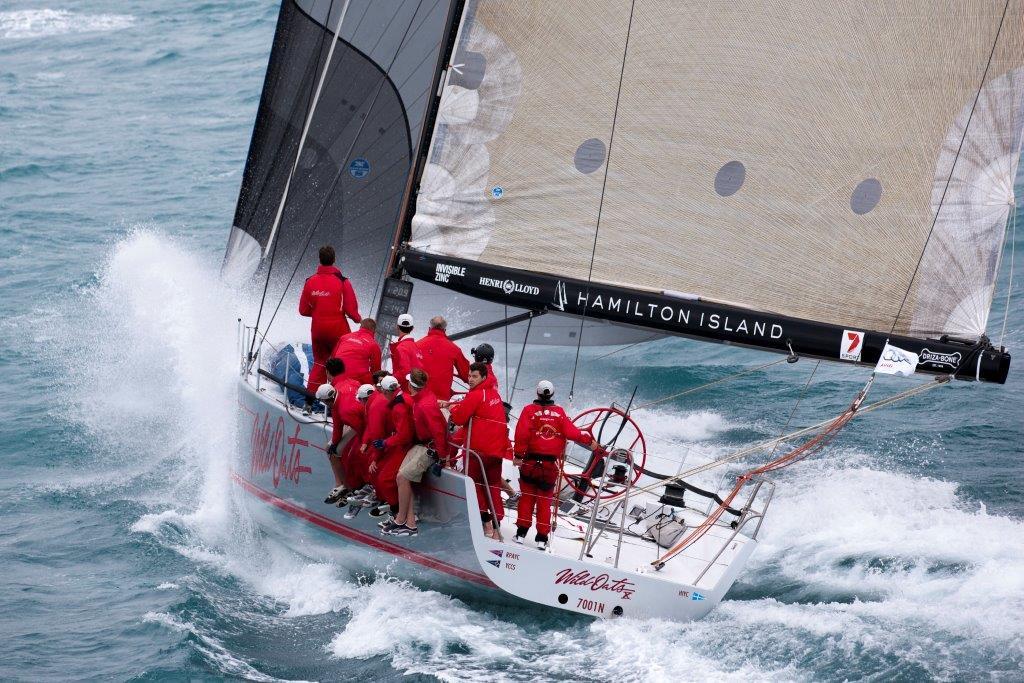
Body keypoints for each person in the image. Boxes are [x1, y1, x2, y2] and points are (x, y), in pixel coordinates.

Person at [513, 380, 601, 549]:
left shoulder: (528, 411)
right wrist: (591, 443)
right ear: (552, 394)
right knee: (545, 502)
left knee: (526, 499)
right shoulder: (560, 413)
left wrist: (518, 455)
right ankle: (541, 538)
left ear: (537, 393)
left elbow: (521, 434)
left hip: (530, 463)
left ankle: (521, 534)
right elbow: (574, 433)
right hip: (549, 467)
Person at [382, 369, 452, 537]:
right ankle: (410, 522)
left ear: (410, 385)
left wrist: (442, 458)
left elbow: (439, 432)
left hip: (430, 448)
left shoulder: (425, 405)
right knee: (402, 477)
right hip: (421, 444)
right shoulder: (421, 398)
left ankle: (400, 521)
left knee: (403, 477)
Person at [447, 362, 510, 539]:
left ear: (483, 377)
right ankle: (498, 529)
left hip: (478, 452)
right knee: (493, 487)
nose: (470, 379)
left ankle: (486, 525)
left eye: (474, 376)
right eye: (469, 376)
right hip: (496, 452)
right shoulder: (494, 394)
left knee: (476, 486)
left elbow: (459, 418)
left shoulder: (475, 395)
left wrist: (452, 408)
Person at [298, 245, 362, 408]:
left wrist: (320, 312)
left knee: (320, 363)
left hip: (318, 330)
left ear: (320, 259)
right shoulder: (343, 281)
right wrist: (359, 319)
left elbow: (303, 310)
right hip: (338, 331)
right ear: (334, 260)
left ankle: (309, 402)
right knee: (340, 365)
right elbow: (351, 311)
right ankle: (338, 403)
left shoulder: (310, 281)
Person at [367, 375, 413, 522]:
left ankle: (397, 510)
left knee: (385, 479)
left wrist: (385, 443)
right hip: (406, 443)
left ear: (386, 391)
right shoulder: (405, 397)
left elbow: (404, 435)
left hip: (408, 445)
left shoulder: (398, 407)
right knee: (382, 472)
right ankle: (391, 502)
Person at [322, 358, 363, 505]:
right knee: (334, 448)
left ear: (328, 373)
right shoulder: (354, 382)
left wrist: (334, 442)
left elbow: (338, 425)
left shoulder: (334, 391)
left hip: (359, 427)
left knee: (332, 451)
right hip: (357, 422)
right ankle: (341, 485)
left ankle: (345, 487)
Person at [415, 316, 470, 401]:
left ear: (429, 328)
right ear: (444, 330)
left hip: (418, 398)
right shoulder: (454, 349)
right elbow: (467, 375)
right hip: (440, 402)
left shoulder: (416, 345)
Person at [331, 318, 382, 385]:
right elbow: (376, 372)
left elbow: (333, 357)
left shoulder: (344, 337)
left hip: (336, 377)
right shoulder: (374, 345)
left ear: (360, 327)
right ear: (373, 330)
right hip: (356, 383)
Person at [389, 313, 423, 392]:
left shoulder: (401, 347)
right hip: (415, 390)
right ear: (412, 328)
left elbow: (404, 371)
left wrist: (389, 380)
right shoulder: (417, 347)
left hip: (404, 390)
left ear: (397, 327)